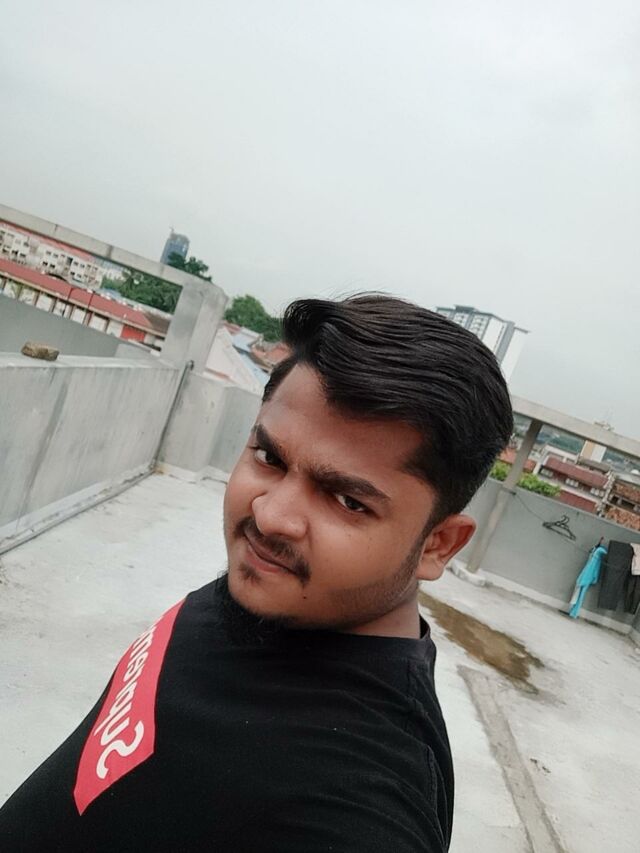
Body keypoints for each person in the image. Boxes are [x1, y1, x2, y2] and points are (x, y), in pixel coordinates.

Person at [0, 295, 513, 852]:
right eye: (270, 459)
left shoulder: (360, 806)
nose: (270, 516)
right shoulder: (278, 592)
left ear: (438, 544)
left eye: (347, 501)